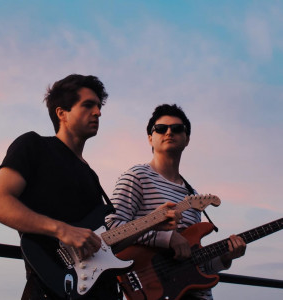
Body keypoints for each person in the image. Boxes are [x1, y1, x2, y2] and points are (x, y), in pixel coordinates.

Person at [0, 75, 178, 300]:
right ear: (62, 113)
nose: (98, 112)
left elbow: (103, 242)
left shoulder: (91, 175)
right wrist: (62, 230)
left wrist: (151, 222)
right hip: (51, 290)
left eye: (98, 106)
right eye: (88, 105)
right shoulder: (34, 145)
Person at [105, 104, 247, 300]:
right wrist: (166, 238)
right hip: (152, 289)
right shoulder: (136, 177)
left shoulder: (193, 196)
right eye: (161, 129)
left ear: (187, 139)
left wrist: (225, 258)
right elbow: (112, 230)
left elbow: (192, 261)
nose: (169, 132)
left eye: (177, 128)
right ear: (150, 139)